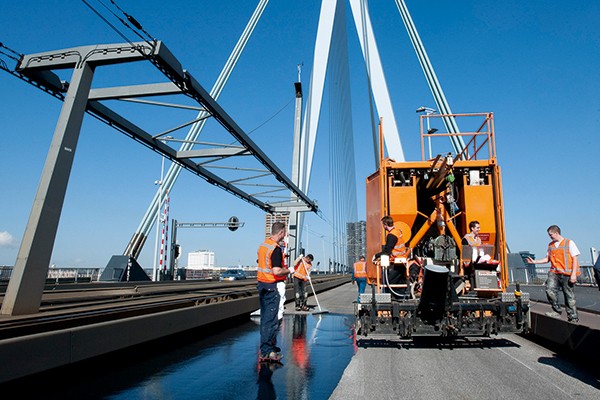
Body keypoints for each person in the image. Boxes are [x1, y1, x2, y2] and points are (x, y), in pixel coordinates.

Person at [526, 225, 580, 323]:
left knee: (569, 295)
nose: (550, 237)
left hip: (567, 273)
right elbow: (547, 259)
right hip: (554, 272)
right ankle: (556, 310)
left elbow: (575, 259)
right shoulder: (550, 245)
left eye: (551, 235)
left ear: (556, 233)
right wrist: (534, 262)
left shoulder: (569, 243)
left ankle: (573, 316)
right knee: (549, 290)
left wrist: (573, 274)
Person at [257, 222, 291, 362]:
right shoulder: (276, 249)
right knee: (270, 320)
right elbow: (276, 270)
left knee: (265, 318)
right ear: (281, 232)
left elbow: (264, 263)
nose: (286, 235)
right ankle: (266, 351)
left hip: (262, 285)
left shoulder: (264, 246)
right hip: (272, 286)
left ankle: (267, 347)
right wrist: (289, 270)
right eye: (285, 232)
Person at [373, 216, 410, 289]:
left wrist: (376, 256)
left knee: (389, 282)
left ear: (386, 224)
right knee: (400, 281)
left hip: (398, 261)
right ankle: (400, 297)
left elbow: (387, 251)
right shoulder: (397, 232)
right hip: (402, 260)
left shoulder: (391, 235)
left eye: (383, 225)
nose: (383, 227)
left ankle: (392, 297)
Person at [461, 220, 482, 288]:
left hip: (477, 261)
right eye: (477, 228)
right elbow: (465, 251)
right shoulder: (466, 238)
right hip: (468, 262)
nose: (479, 229)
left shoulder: (479, 239)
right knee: (470, 276)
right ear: (472, 228)